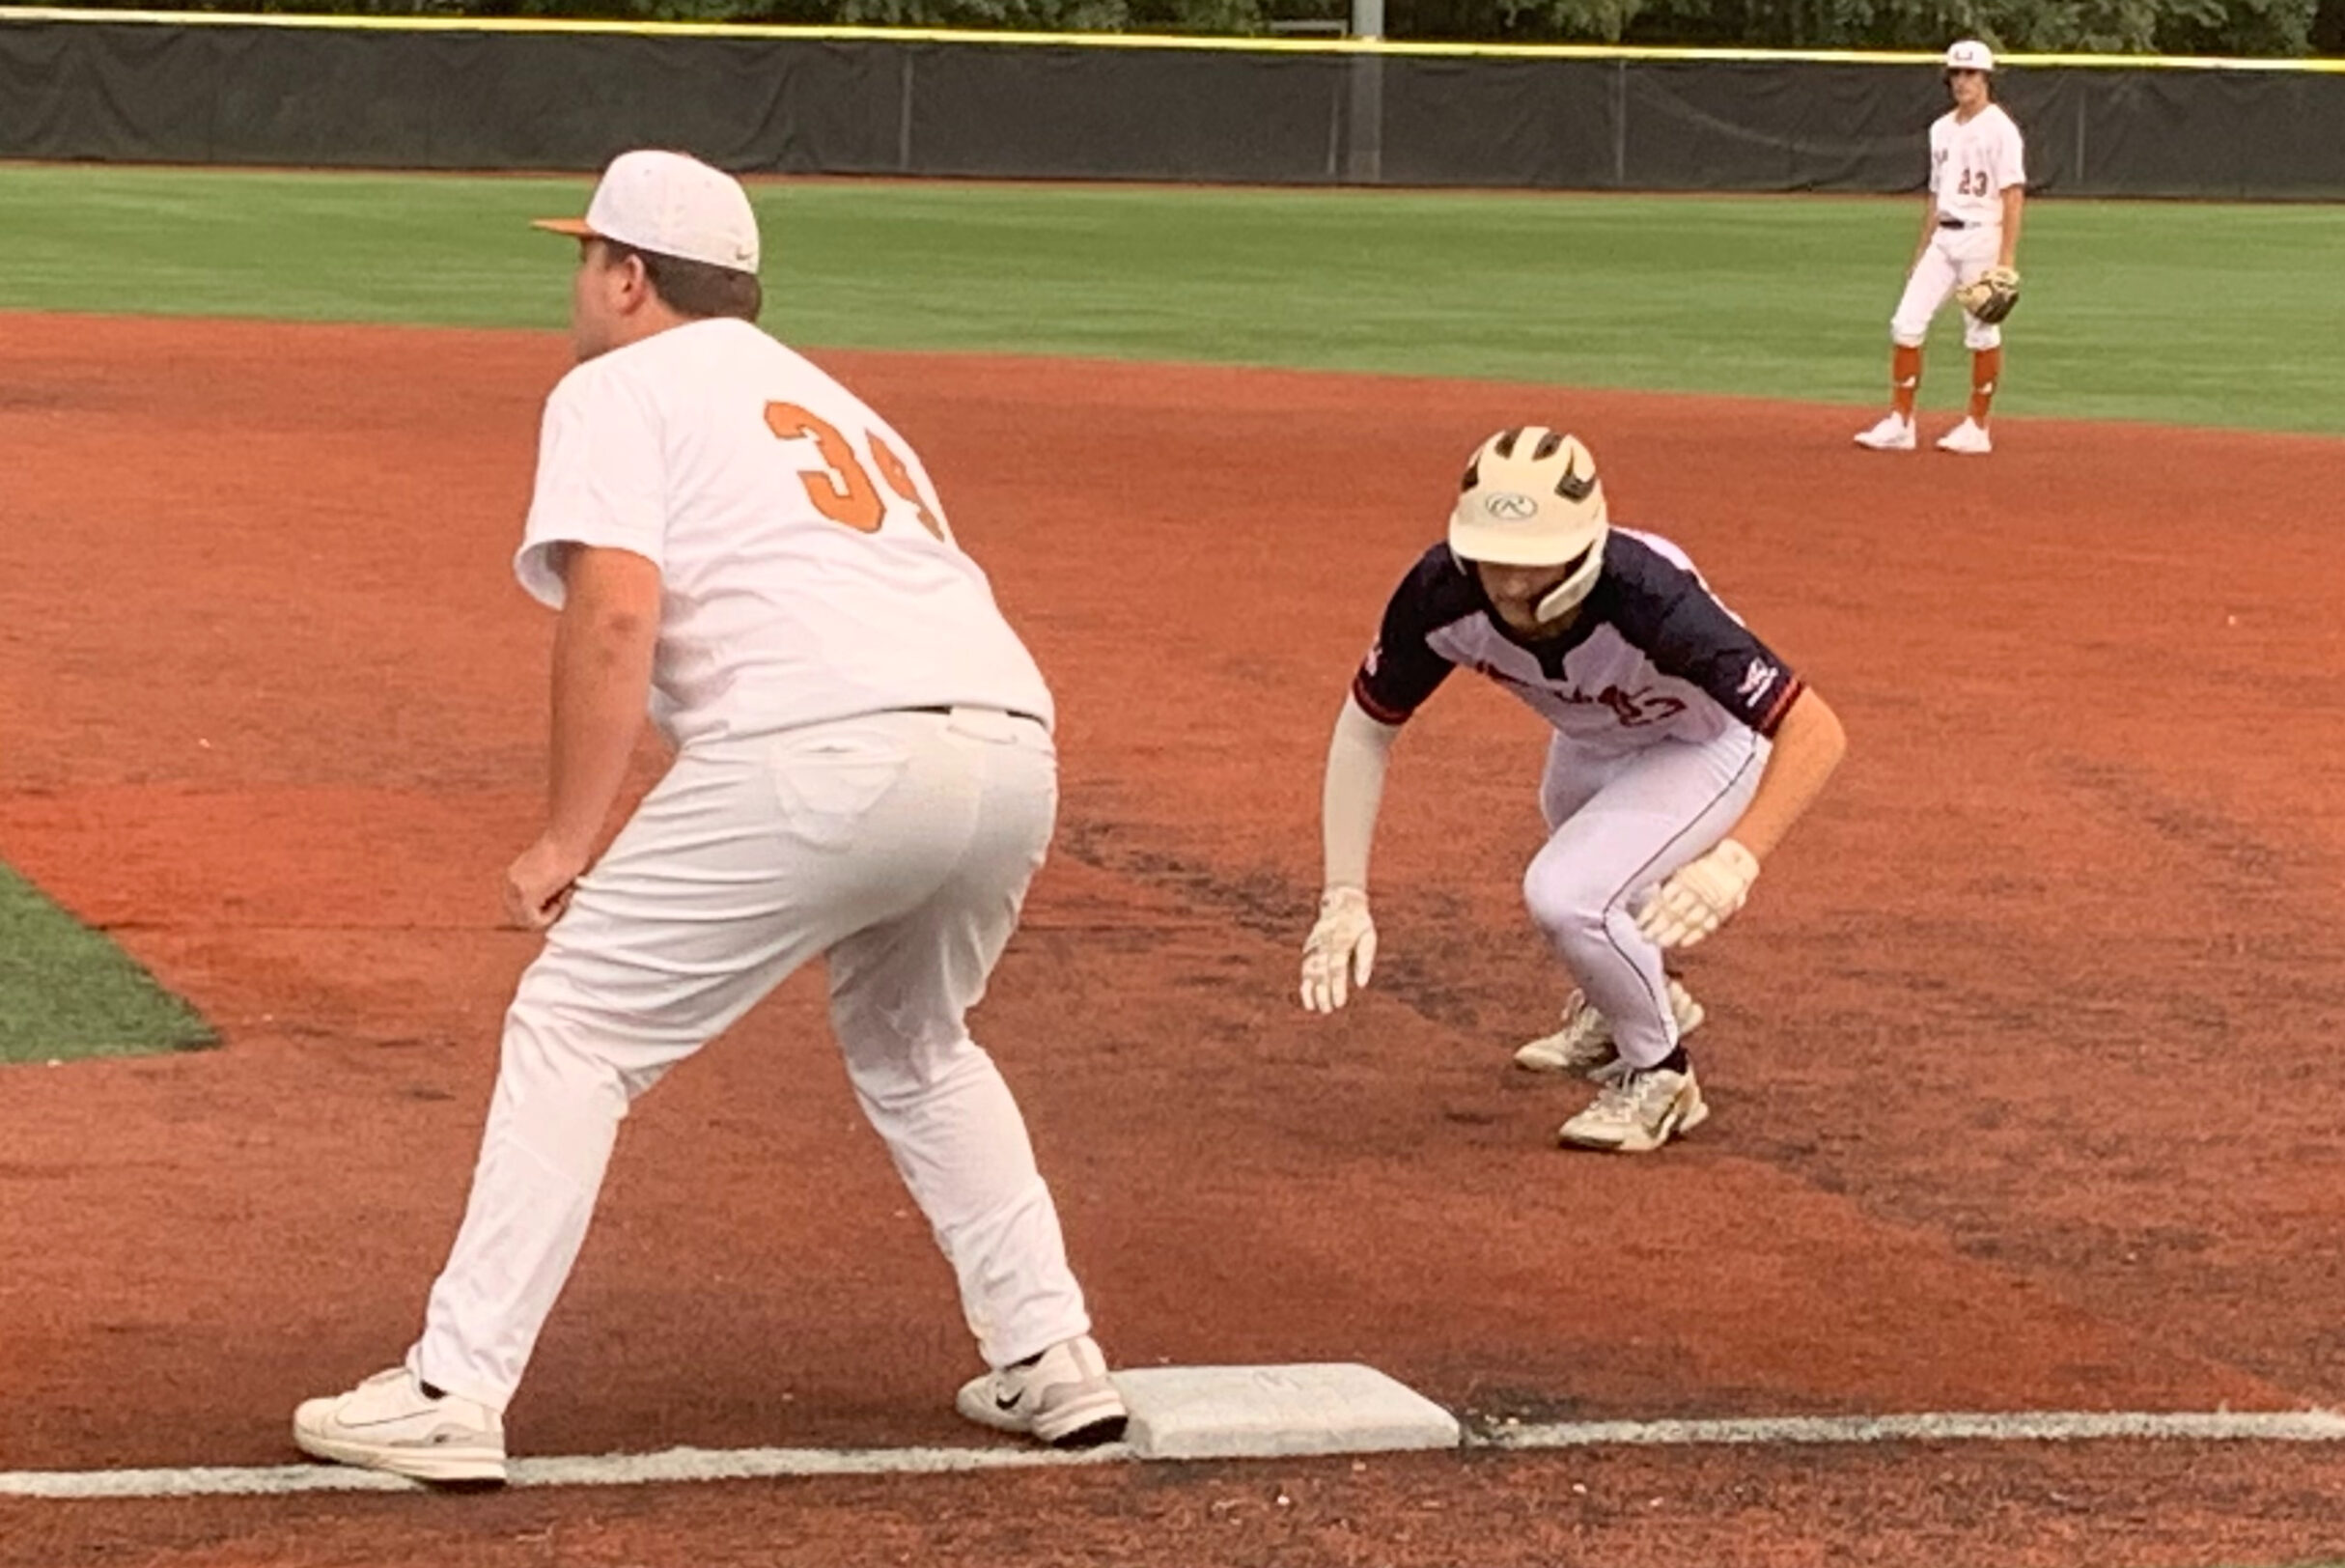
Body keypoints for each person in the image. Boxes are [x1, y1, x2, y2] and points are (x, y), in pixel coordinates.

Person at [292, 150, 1126, 1485]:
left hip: (821, 751)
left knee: (574, 1027)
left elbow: (618, 609)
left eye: (584, 257)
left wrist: (570, 835)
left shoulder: (618, 384)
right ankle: (1051, 1351)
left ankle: (457, 1384)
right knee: (918, 1040)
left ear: (630, 278)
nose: (574, 281)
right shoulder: (839, 402)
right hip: (1011, 746)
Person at [1298, 428, 1846, 1154]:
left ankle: (1662, 1079)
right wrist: (1343, 896)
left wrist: (1736, 862)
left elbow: (1815, 728)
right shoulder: (1439, 595)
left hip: (1704, 742)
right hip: (1593, 738)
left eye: (1534, 561)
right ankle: (1634, 1005)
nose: (1512, 583)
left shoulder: (1650, 597)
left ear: (1586, 547)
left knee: (1567, 893)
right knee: (1588, 870)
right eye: (1495, 559)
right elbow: (1366, 729)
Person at [1854, 39, 2028, 457]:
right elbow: (1935, 196)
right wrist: (1920, 251)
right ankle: (1901, 422)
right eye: (1956, 73)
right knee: (1905, 322)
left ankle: (1978, 426)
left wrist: (2005, 261)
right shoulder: (1941, 129)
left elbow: (2013, 194)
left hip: (1982, 235)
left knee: (1982, 331)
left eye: (1971, 73)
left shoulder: (2000, 128)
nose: (1962, 81)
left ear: (1986, 78)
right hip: (1944, 237)